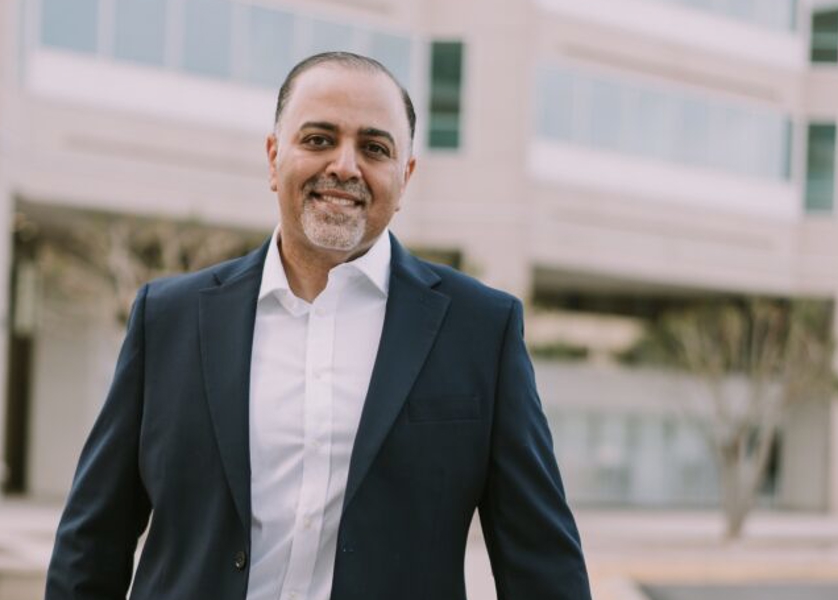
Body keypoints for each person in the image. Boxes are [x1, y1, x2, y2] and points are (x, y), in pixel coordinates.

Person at [45, 52, 591, 600]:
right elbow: (93, 541)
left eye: (374, 148)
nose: (345, 166)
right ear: (273, 156)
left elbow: (541, 564)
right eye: (319, 139)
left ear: (405, 177)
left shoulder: (481, 330)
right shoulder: (168, 318)